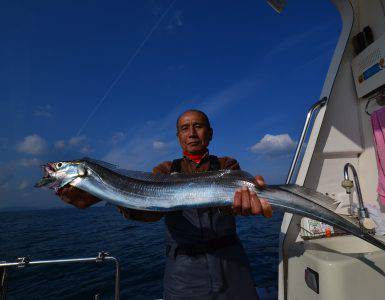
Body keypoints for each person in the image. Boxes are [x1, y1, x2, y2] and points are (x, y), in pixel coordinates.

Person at [57, 109, 272, 299]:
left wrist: (242, 204)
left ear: (210, 133)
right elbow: (150, 212)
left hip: (230, 260)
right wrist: (110, 196)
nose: (192, 133)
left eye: (198, 126)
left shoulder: (227, 166)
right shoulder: (164, 170)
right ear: (178, 137)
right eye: (185, 128)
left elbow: (230, 207)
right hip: (184, 268)